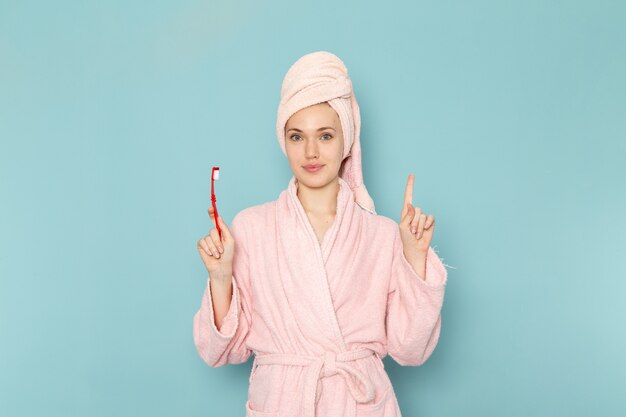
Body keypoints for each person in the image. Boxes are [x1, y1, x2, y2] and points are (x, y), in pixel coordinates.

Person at [193, 51, 448, 417]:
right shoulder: (252, 227)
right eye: (297, 137)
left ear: (346, 140)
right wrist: (220, 277)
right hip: (283, 403)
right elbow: (219, 351)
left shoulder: (382, 234)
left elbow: (411, 350)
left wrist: (415, 257)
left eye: (325, 135)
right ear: (284, 141)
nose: (311, 152)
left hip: (359, 405)